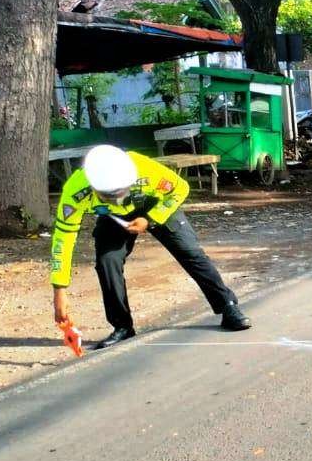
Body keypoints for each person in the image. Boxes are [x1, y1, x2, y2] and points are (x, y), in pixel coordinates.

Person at [50, 145, 249, 349]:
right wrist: (59, 290)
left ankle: (228, 306)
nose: (118, 198)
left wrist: (149, 219)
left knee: (189, 252)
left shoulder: (144, 168)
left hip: (155, 205)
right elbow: (63, 239)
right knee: (107, 262)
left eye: (122, 191)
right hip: (113, 217)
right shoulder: (75, 191)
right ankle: (122, 326)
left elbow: (180, 189)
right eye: (110, 195)